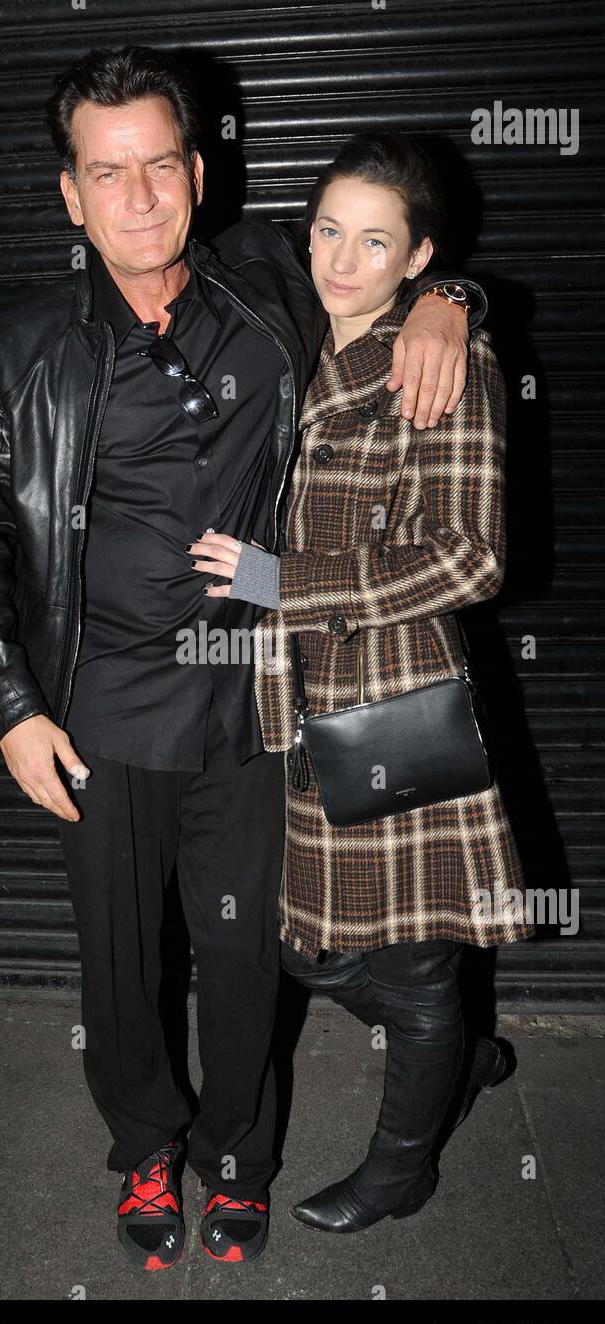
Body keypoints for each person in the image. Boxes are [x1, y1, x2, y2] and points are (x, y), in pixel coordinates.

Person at [0, 46, 487, 1270]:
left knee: (242, 956)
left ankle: (238, 1158)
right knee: (120, 965)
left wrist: (459, 302)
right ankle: (144, 1146)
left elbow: (395, 254)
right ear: (70, 195)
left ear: (198, 171)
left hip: (254, 704)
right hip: (97, 716)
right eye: (105, 172)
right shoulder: (12, 354)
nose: (138, 196)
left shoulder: (273, 284)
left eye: (160, 164)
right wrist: (11, 707)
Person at [198, 133, 537, 1235]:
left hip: (391, 703)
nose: (342, 261)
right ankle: (461, 1053)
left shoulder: (439, 361)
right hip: (295, 706)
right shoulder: (293, 337)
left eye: (376, 241)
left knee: (419, 962)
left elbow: (471, 558)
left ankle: (402, 1169)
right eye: (328, 230)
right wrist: (456, 291)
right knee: (304, 945)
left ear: (416, 255)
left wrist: (279, 579)